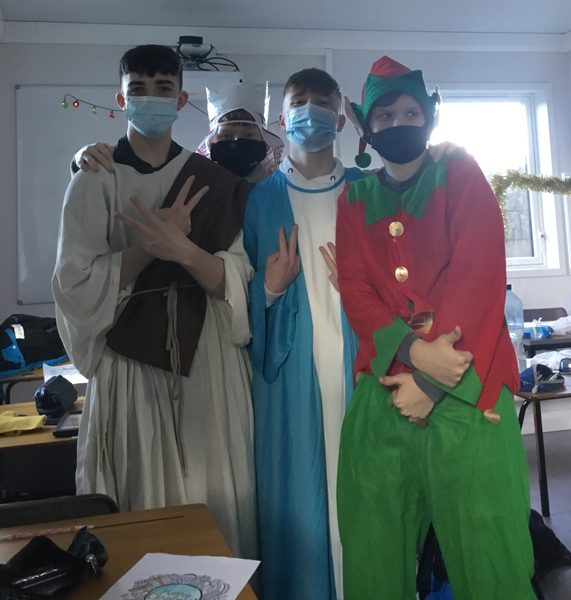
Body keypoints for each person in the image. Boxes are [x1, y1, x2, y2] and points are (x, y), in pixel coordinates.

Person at [242, 67, 460, 600]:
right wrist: (268, 289)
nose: (310, 113)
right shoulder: (259, 201)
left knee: (378, 500)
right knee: (303, 504)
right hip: (293, 382)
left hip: (369, 371)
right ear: (281, 118)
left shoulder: (371, 191)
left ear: (341, 120)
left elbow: (415, 287)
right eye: (299, 102)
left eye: (323, 103)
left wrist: (367, 288)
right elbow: (239, 303)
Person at [335, 56, 535, 600]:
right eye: (385, 116)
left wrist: (431, 380)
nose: (398, 123)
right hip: (383, 394)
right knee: (375, 552)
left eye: (410, 112)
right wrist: (414, 353)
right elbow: (355, 289)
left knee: (490, 555)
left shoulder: (460, 175)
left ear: (429, 117)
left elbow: (478, 276)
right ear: (366, 126)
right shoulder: (353, 199)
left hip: (471, 392)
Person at [52, 44, 257, 560]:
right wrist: (147, 248)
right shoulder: (94, 179)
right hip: (129, 362)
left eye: (163, 88)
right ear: (121, 99)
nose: (151, 98)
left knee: (214, 489)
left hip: (207, 357)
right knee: (142, 497)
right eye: (138, 89)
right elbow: (74, 285)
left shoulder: (212, 180)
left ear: (181, 99)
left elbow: (237, 279)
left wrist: (183, 250)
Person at [73, 79, 283, 183]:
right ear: (212, 141)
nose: (237, 142)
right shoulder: (194, 178)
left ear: (264, 141)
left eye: (249, 135)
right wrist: (80, 158)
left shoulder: (280, 185)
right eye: (226, 135)